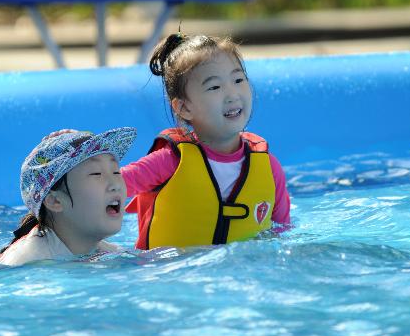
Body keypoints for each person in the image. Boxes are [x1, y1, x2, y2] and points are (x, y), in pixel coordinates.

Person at [122, 33, 291, 250]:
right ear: (184, 107)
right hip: (168, 275)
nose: (232, 94)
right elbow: (109, 188)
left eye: (238, 80)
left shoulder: (268, 168)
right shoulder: (170, 161)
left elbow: (282, 233)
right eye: (214, 87)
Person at [0, 127, 137, 266]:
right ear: (55, 200)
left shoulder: (109, 252)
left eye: (116, 172)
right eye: (96, 173)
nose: (115, 184)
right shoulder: (25, 263)